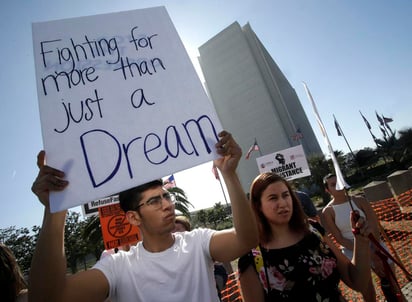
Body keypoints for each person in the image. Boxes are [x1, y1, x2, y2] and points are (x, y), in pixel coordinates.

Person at [29, 130, 258, 302]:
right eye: (154, 201)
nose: (166, 204)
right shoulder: (118, 266)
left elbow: (245, 239)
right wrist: (55, 210)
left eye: (166, 196)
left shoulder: (198, 242)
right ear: (133, 218)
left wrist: (229, 175)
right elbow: (50, 298)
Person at [238, 172, 372, 302]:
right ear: (258, 205)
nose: (283, 203)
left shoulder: (313, 230)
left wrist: (360, 240)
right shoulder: (252, 258)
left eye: (286, 195)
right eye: (273, 198)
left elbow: (357, 282)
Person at [321, 173, 407, 302]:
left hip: (374, 243)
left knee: (394, 287)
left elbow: (374, 225)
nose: (338, 186)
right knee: (368, 294)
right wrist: (368, 254)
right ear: (327, 190)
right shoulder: (328, 211)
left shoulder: (360, 200)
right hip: (352, 251)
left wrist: (376, 251)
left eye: (339, 182)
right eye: (333, 185)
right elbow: (340, 239)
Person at [173, 215, 231, 301]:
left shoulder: (201, 248)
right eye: (172, 232)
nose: (175, 235)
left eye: (178, 231)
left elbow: (223, 272)